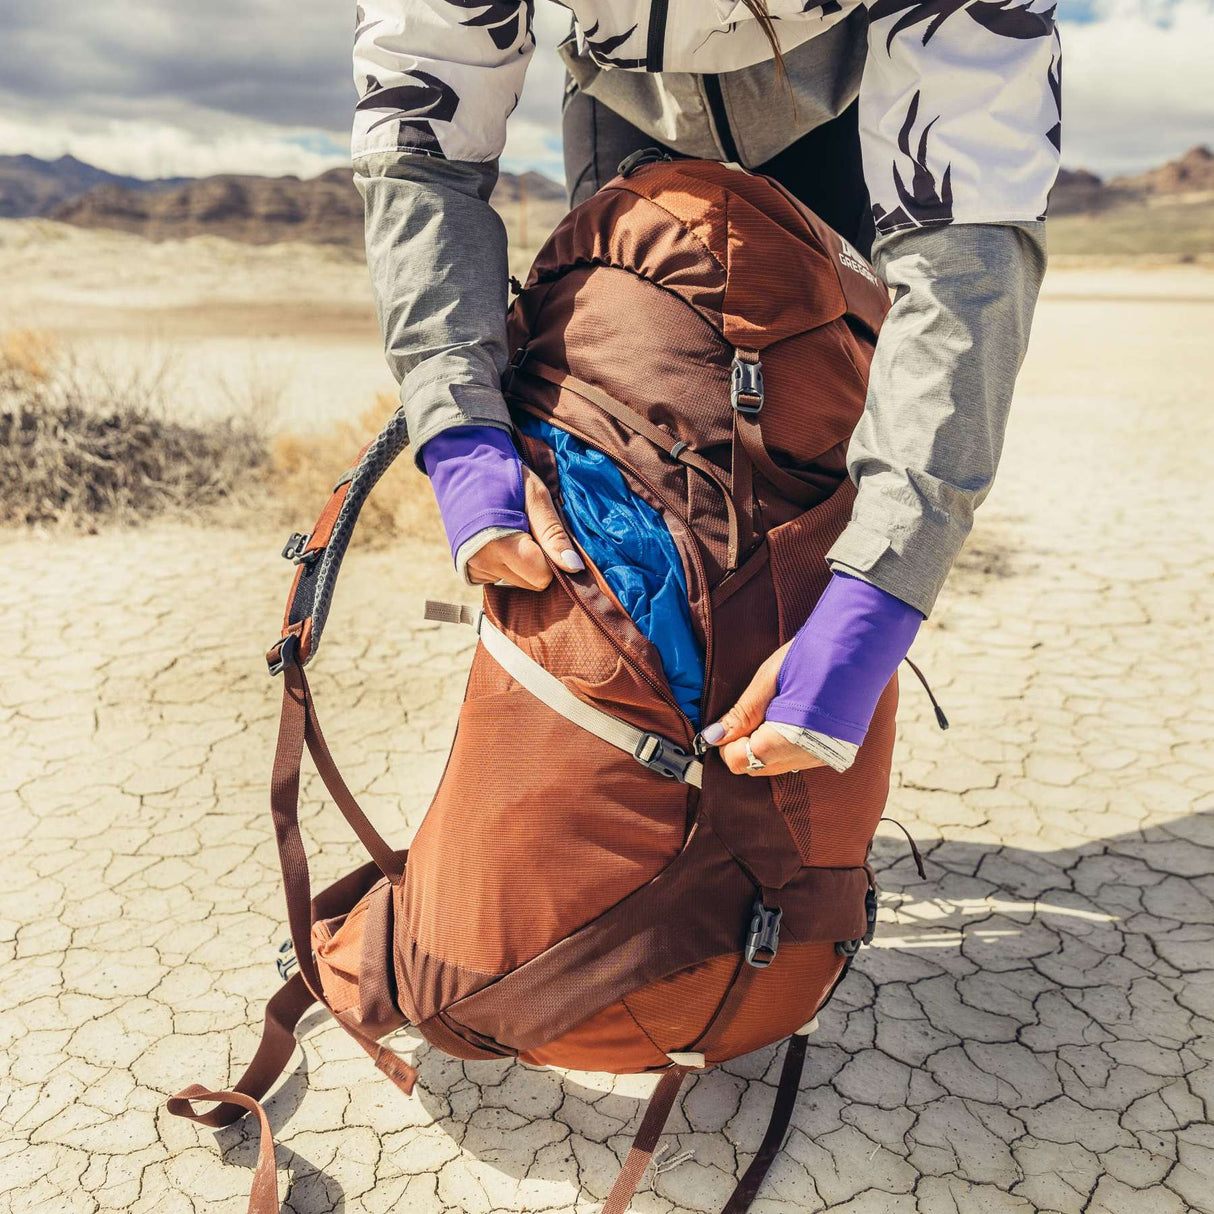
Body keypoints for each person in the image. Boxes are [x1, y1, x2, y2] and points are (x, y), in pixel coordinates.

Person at [352, 0, 1060, 776]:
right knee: (609, 489)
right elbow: (420, 146)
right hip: (627, 99)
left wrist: (881, 595)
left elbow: (967, 244)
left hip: (840, 116)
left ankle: (781, 841)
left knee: (804, 487)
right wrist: (460, 436)